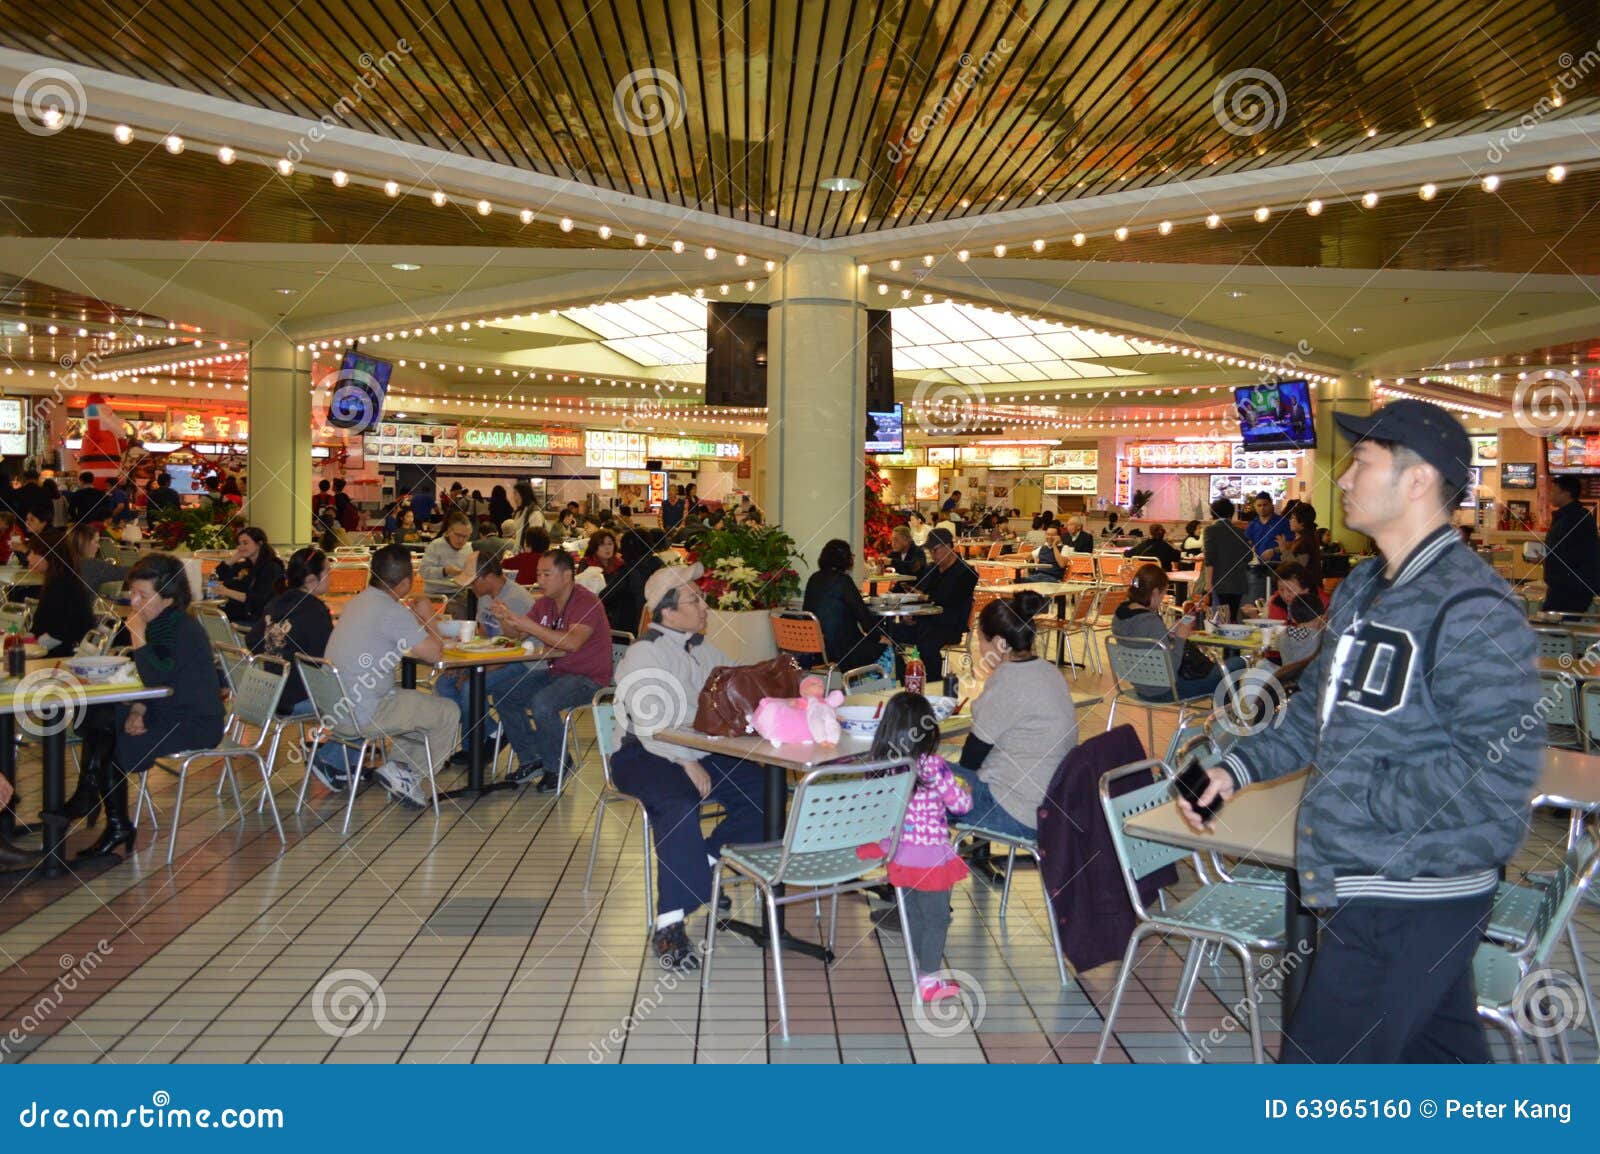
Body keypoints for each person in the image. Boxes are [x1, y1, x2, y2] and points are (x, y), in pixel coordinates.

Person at [1182, 398, 1542, 1064]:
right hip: (1362, 878)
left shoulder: (1472, 604)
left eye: (1362, 462)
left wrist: (1360, 796)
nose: (1343, 479)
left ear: (1417, 481)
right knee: (1443, 1061)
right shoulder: (1362, 590)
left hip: (1411, 889)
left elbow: (1496, 771)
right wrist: (1234, 769)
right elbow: (1318, 717)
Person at [609, 564, 767, 969]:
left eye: (701, 597)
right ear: (667, 613)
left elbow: (736, 680)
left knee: (766, 791)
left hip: (695, 750)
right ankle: (669, 924)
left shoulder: (699, 647)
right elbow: (648, 724)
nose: (704, 606)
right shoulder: (645, 653)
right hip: (642, 753)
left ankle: (705, 863)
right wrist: (687, 763)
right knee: (679, 803)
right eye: (694, 600)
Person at [78, 553, 226, 859]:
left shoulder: (180, 628)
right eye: (132, 593)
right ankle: (102, 809)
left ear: (169, 598)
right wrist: (139, 709)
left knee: (110, 728)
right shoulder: (162, 622)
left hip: (195, 723)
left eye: (142, 595)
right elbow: (160, 683)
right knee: (102, 717)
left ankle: (101, 810)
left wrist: (136, 634)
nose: (134, 602)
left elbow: (156, 676)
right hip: (167, 708)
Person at [324, 544, 461, 808]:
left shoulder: (358, 601)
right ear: (406, 582)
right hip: (363, 713)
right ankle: (409, 776)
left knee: (414, 704)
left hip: (334, 707)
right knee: (448, 712)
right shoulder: (391, 610)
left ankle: (399, 770)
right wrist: (427, 615)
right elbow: (435, 654)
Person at [857, 692, 972, 1003]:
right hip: (932, 860)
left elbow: (873, 813)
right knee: (937, 919)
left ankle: (919, 967)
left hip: (899, 858)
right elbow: (961, 806)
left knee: (913, 916)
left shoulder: (881, 769)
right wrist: (963, 788)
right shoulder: (933, 766)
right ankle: (928, 979)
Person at [491, 549, 615, 792]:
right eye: (539, 574)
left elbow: (571, 643)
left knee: (542, 704)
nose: (540, 580)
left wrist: (530, 626)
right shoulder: (544, 603)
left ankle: (558, 765)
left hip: (590, 679)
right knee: (504, 693)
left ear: (567, 575)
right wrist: (505, 618)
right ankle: (532, 758)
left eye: (547, 574)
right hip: (557, 673)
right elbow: (515, 635)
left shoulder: (585, 601)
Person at [957, 592, 1077, 836]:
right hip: (1053, 806)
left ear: (999, 643)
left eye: (981, 640)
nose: (979, 648)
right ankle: (977, 857)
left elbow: (971, 757)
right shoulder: (1049, 671)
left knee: (917, 775)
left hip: (1017, 812)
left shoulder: (1006, 680)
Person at [433, 554, 540, 779]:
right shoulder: (484, 596)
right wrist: (463, 664)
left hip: (523, 662)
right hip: (490, 658)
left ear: (489, 577)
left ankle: (481, 742)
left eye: (473, 582)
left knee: (471, 688)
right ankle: (487, 734)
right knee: (444, 684)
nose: (470, 587)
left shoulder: (517, 598)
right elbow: (482, 635)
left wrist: (473, 670)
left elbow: (516, 648)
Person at [1111, 564, 1246, 700]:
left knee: (1222, 675)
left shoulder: (1119, 616)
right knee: (1237, 663)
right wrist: (1181, 638)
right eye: (1163, 593)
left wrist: (1167, 633)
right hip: (1167, 690)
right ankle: (1228, 717)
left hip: (1141, 685)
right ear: (1155, 592)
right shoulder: (1151, 621)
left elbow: (1145, 644)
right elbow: (1172, 668)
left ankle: (1223, 716)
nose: (1162, 598)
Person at [246, 546, 334, 722]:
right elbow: (326, 658)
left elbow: (252, 639)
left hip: (269, 692)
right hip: (295, 697)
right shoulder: (315, 610)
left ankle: (326, 748)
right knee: (358, 700)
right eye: (328, 572)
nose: (330, 577)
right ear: (311, 580)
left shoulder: (277, 602)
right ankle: (330, 750)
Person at [802, 539, 889, 669]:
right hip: (842, 650)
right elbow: (863, 617)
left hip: (816, 650)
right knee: (887, 650)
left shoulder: (813, 578)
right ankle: (868, 688)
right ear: (846, 559)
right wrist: (879, 637)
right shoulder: (843, 581)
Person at [908, 529, 976, 683]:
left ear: (948, 547)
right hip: (923, 622)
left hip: (949, 627)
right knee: (890, 633)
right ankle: (902, 682)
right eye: (930, 551)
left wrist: (925, 597)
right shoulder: (932, 569)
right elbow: (923, 595)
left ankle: (935, 685)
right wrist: (910, 614)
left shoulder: (966, 573)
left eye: (935, 550)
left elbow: (949, 599)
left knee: (927, 643)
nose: (932, 554)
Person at [26, 529, 94, 656]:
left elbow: (58, 634)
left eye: (34, 552)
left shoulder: (63, 586)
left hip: (62, 656)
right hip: (54, 650)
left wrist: (29, 648)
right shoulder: (59, 580)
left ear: (49, 556)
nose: (29, 557)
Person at [1543, 474, 1600, 613]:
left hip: (1571, 586)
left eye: (1553, 491)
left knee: (1556, 629)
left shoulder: (1576, 518)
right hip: (1563, 583)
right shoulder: (1566, 516)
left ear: (1566, 493)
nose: (1550, 495)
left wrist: (1547, 558)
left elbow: (1576, 553)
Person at [214, 527, 284, 628]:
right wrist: (234, 558)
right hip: (237, 615)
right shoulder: (245, 566)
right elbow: (214, 577)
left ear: (259, 544)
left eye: (245, 543)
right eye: (239, 544)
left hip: (258, 621)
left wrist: (227, 592)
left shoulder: (271, 568)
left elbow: (259, 600)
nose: (240, 547)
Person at [1202, 497, 1253, 623]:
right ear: (1232, 514)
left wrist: (1208, 583)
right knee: (1232, 619)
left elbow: (1210, 557)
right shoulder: (1240, 532)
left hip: (1218, 583)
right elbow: (1249, 557)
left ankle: (1216, 642)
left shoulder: (1210, 530)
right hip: (1238, 584)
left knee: (1216, 621)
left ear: (1212, 513)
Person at [607, 528, 663, 636]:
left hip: (627, 632)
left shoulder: (627, 571)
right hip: (657, 630)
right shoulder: (659, 566)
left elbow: (605, 597)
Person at [1244, 491, 1289, 602]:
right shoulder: (1252, 525)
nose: (1262, 508)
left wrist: (1274, 550)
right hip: (1257, 570)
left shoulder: (1282, 522)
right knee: (1257, 601)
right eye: (1259, 505)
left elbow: (1290, 544)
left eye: (1265, 505)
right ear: (1255, 507)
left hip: (1278, 568)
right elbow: (1246, 544)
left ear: (1271, 504)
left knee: (1276, 601)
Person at [420, 512, 475, 595]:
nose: (461, 540)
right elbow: (423, 572)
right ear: (449, 531)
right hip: (436, 593)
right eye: (458, 535)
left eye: (465, 536)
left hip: (460, 592)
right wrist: (445, 571)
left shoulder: (468, 548)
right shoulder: (436, 545)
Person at [69, 523, 124, 592]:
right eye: (96, 542)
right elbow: (129, 573)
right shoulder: (92, 566)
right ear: (86, 543)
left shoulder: (60, 563)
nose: (99, 546)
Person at [576, 529, 622, 596]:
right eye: (602, 544)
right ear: (594, 547)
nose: (607, 547)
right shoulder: (587, 563)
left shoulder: (620, 563)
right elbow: (581, 591)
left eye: (610, 544)